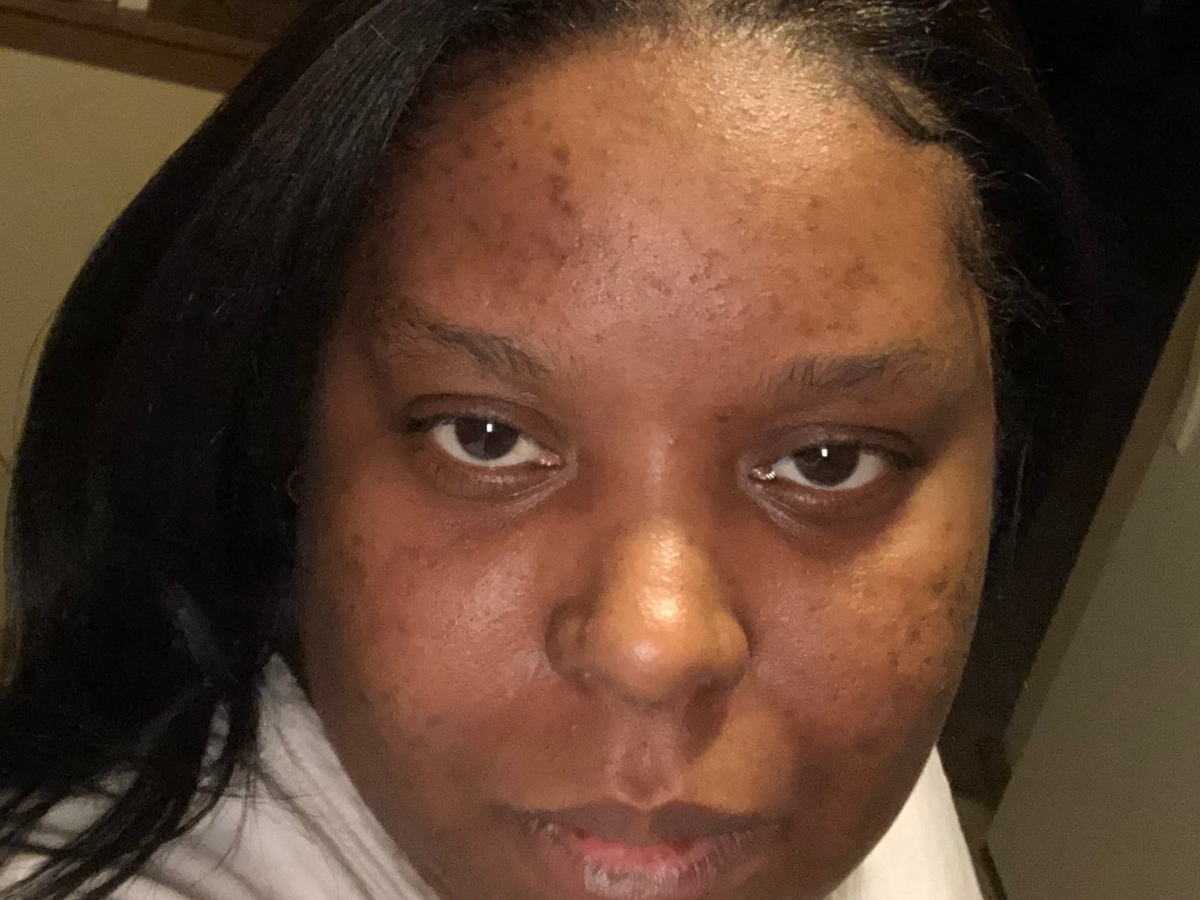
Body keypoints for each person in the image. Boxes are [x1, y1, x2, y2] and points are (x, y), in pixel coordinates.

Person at [0, 1, 1088, 899]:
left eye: (828, 462)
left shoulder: (846, 766)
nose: (655, 648)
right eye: (486, 438)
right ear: (292, 455)